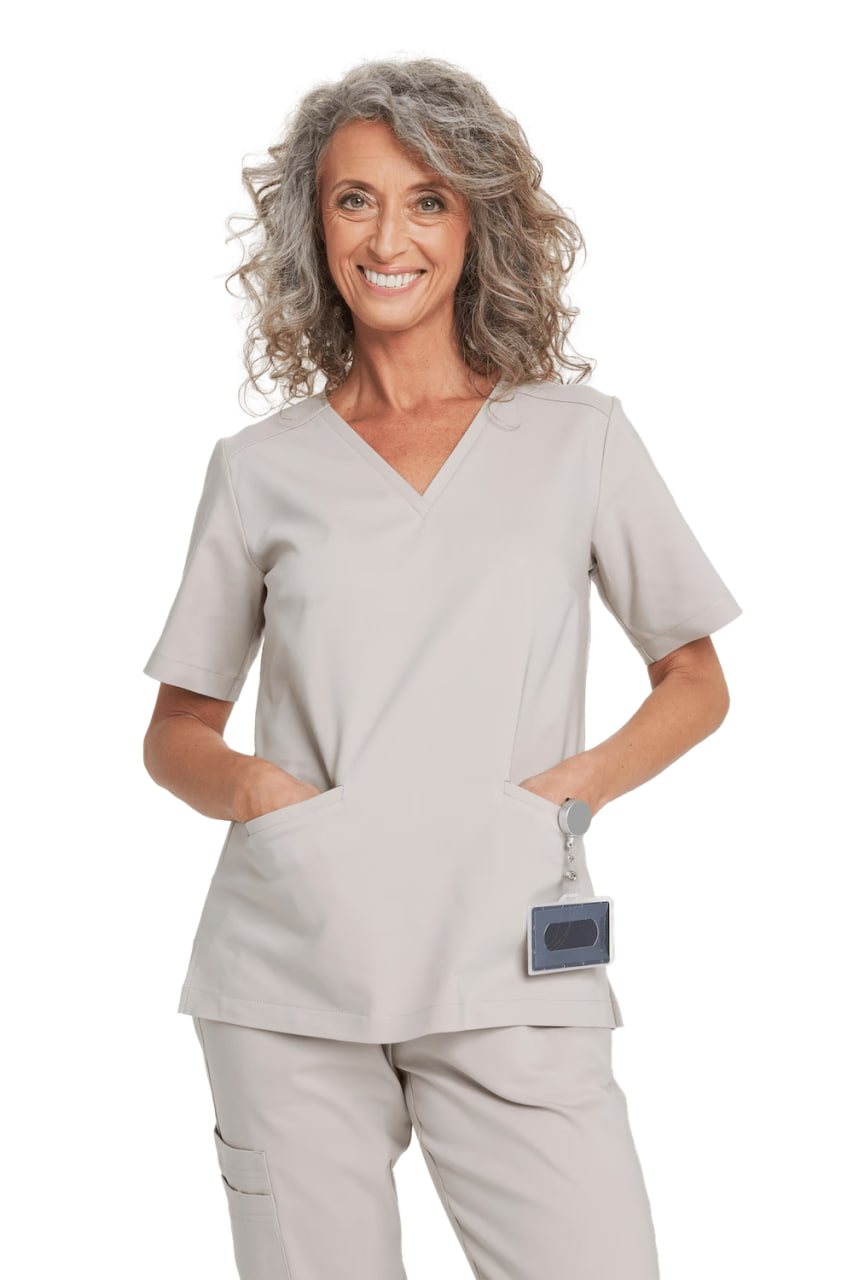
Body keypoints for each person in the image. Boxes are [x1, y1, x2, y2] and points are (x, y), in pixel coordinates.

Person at [142, 56, 742, 1280]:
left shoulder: (576, 438)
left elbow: (694, 678)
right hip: (290, 969)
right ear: (315, 227)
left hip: (508, 955)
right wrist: (260, 793)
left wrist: (562, 794)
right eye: (354, 200)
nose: (388, 238)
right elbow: (176, 732)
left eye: (427, 200)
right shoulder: (260, 468)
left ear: (477, 224)